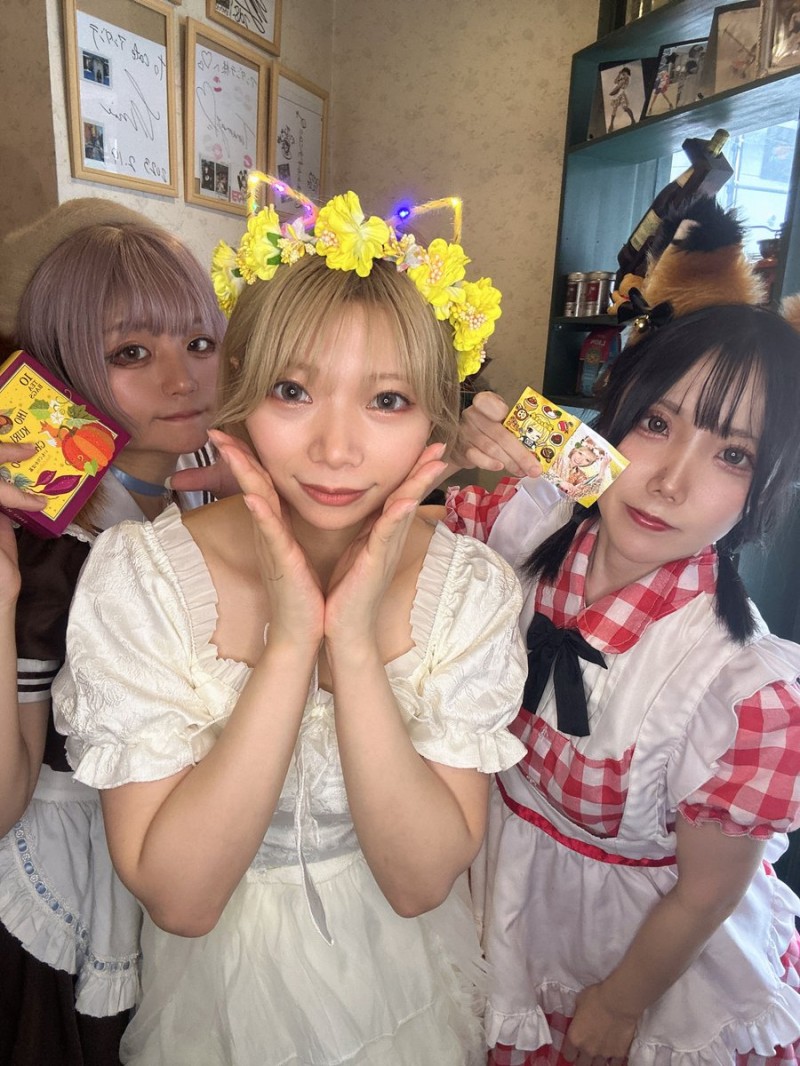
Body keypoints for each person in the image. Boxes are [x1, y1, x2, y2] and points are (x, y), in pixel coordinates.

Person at [53, 183, 528, 1066]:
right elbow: (182, 899)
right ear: (240, 393)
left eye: (388, 401)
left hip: (398, 985)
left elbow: (421, 883)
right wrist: (289, 642)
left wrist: (352, 645)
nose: (336, 449)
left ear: (438, 414)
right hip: (215, 997)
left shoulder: (470, 592)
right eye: (293, 390)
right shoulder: (141, 579)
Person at [444, 299, 800, 1065]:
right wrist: (448, 442)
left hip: (633, 959)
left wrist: (618, 1003)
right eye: (657, 423)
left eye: (733, 456)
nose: (670, 482)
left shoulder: (743, 691)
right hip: (492, 888)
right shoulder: (528, 522)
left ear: (765, 488)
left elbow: (707, 892)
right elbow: (398, 540)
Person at [0, 198, 226, 1066]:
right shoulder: (46, 552)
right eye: (131, 352)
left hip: (199, 859)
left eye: (198, 342)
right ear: (55, 370)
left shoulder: (214, 478)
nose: (182, 379)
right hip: (79, 897)